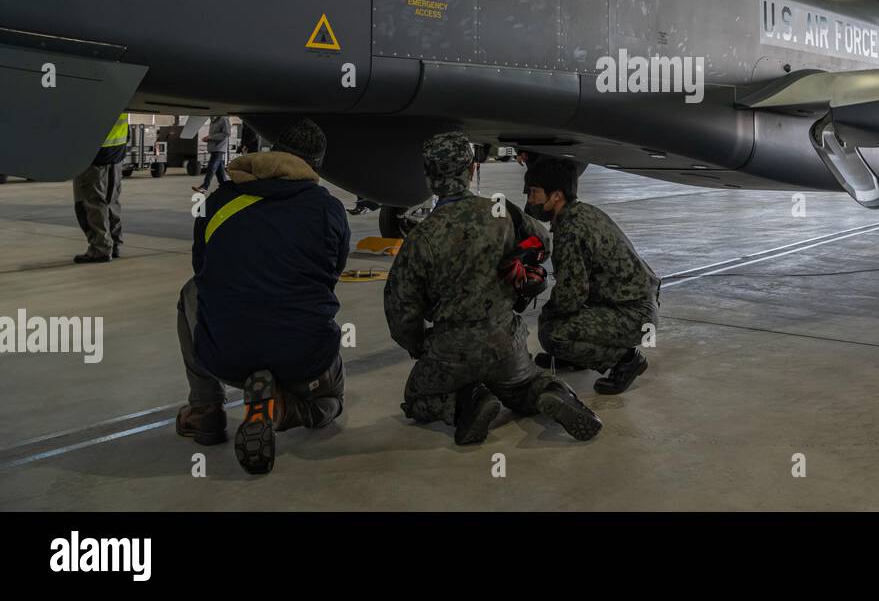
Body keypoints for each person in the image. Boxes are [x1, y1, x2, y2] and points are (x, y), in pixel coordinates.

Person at [384, 133, 602, 445]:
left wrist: (420, 344)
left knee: (417, 399)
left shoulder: (422, 236)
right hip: (504, 342)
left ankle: (467, 403)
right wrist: (516, 263)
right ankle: (550, 393)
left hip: (452, 348)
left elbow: (400, 309)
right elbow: (542, 240)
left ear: (429, 177)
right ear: (472, 169)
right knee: (525, 385)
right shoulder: (502, 211)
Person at [174, 118, 350, 475]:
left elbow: (203, 268)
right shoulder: (328, 208)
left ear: (274, 152)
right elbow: (332, 275)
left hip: (228, 356)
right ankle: (283, 409)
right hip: (304, 357)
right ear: (315, 164)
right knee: (330, 404)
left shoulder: (219, 199)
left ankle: (206, 409)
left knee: (192, 290)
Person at [527, 156, 660, 395]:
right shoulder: (582, 212)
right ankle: (578, 358)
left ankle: (626, 360)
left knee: (552, 332)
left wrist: (548, 314)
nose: (530, 200)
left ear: (556, 196)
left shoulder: (571, 230)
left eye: (535, 192)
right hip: (633, 304)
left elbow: (570, 296)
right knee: (556, 320)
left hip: (633, 314)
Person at [72, 111, 129, 263]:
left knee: (90, 203)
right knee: (112, 202)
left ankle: (100, 249)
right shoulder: (120, 91)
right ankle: (114, 245)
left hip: (93, 154)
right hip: (116, 152)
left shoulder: (90, 90)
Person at [192, 115, 231, 193]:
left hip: (219, 147)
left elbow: (227, 134)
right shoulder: (213, 120)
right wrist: (209, 138)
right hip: (213, 147)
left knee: (212, 166)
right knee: (219, 170)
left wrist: (211, 137)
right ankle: (226, 188)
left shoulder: (223, 119)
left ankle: (205, 186)